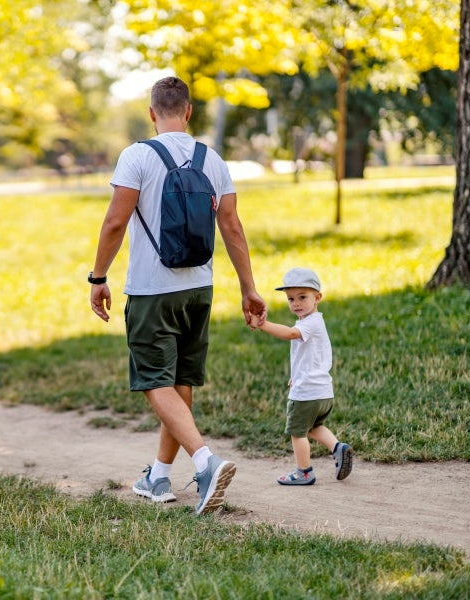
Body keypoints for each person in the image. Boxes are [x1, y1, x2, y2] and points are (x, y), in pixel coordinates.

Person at [89, 76, 266, 514]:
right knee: (180, 382)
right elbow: (232, 227)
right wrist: (249, 288)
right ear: (188, 112)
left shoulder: (137, 156)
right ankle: (159, 477)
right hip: (199, 289)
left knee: (154, 381)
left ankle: (206, 464)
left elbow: (115, 221)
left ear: (152, 114)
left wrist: (98, 277)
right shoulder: (213, 159)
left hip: (153, 290)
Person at [249, 267, 352, 486]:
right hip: (323, 392)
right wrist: (295, 376)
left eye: (302, 297)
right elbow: (309, 357)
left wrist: (263, 325)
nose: (296, 303)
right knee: (313, 428)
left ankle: (304, 472)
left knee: (297, 432)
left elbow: (289, 334)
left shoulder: (310, 323)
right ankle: (338, 448)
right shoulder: (312, 322)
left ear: (318, 298)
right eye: (291, 298)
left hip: (307, 394)